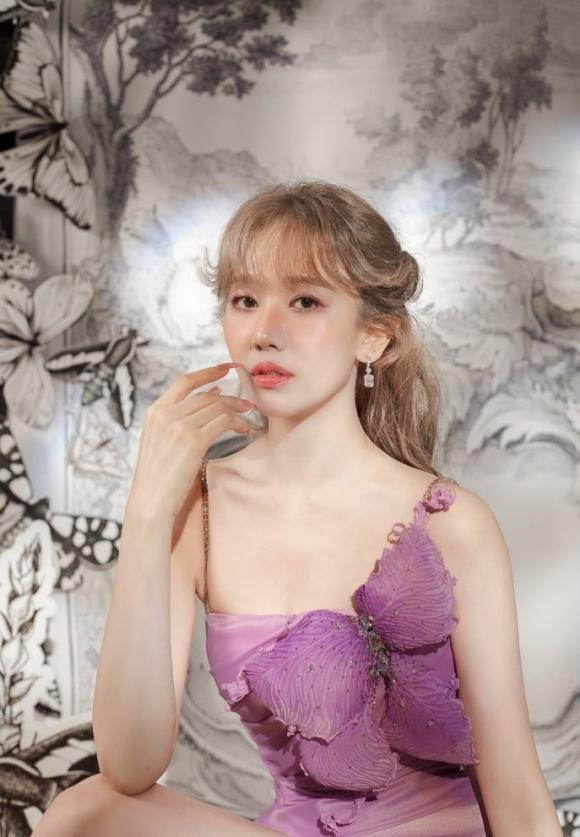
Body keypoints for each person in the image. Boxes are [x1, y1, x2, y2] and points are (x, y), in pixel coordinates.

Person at [33, 180, 561, 836]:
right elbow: (129, 765)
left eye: (305, 300)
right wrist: (145, 512)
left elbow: (519, 798)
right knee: (87, 812)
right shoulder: (195, 511)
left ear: (374, 337)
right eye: (245, 300)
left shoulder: (451, 523)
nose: (264, 332)